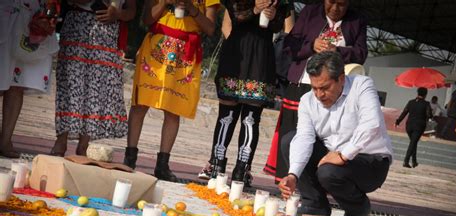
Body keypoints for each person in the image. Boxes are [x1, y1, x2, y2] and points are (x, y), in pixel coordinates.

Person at [278, 52, 392, 216]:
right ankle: (315, 203)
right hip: (332, 156)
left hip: (370, 161)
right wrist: (293, 175)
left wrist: (343, 155)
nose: (319, 95)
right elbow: (304, 138)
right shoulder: (307, 100)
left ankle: (357, 208)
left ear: (341, 78)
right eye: (314, 88)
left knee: (328, 172)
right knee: (290, 140)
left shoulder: (362, 85)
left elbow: (371, 123)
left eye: (324, 88)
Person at [264, 0, 368, 182]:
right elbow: (290, 45)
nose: (335, 9)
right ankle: (285, 179)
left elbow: (361, 54)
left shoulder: (357, 21)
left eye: (342, 5)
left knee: (323, 135)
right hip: (301, 84)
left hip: (333, 91)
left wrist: (338, 51)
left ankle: (315, 183)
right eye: (331, 2)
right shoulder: (309, 12)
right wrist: (311, 46)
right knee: (293, 133)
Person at [123, 0, 219, 181]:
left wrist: (191, 8)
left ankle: (162, 165)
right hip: (156, 46)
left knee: (174, 109)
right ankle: (129, 158)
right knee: (141, 103)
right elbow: (146, 20)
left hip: (186, 51)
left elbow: (211, 28)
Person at [197, 0, 289, 186]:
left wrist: (272, 17)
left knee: (251, 117)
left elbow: (281, 26)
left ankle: (242, 168)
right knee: (227, 114)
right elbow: (235, 15)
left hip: (261, 57)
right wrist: (255, 9)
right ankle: (217, 162)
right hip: (236, 54)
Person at [51, 0, 136, 156]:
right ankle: (61, 141)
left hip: (107, 31)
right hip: (79, 24)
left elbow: (131, 11)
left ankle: (84, 145)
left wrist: (118, 13)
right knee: (71, 84)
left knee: (97, 89)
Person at [1, 0, 58, 158]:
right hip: (6, 10)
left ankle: (5, 140)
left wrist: (51, 11)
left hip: (34, 13)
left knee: (17, 83)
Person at [395, 87, 433, 168]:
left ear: (417, 93)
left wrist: (398, 121)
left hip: (409, 126)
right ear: (425, 94)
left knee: (413, 142)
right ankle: (406, 161)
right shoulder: (426, 104)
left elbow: (404, 112)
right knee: (413, 143)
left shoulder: (411, 102)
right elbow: (429, 115)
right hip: (419, 126)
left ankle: (414, 161)